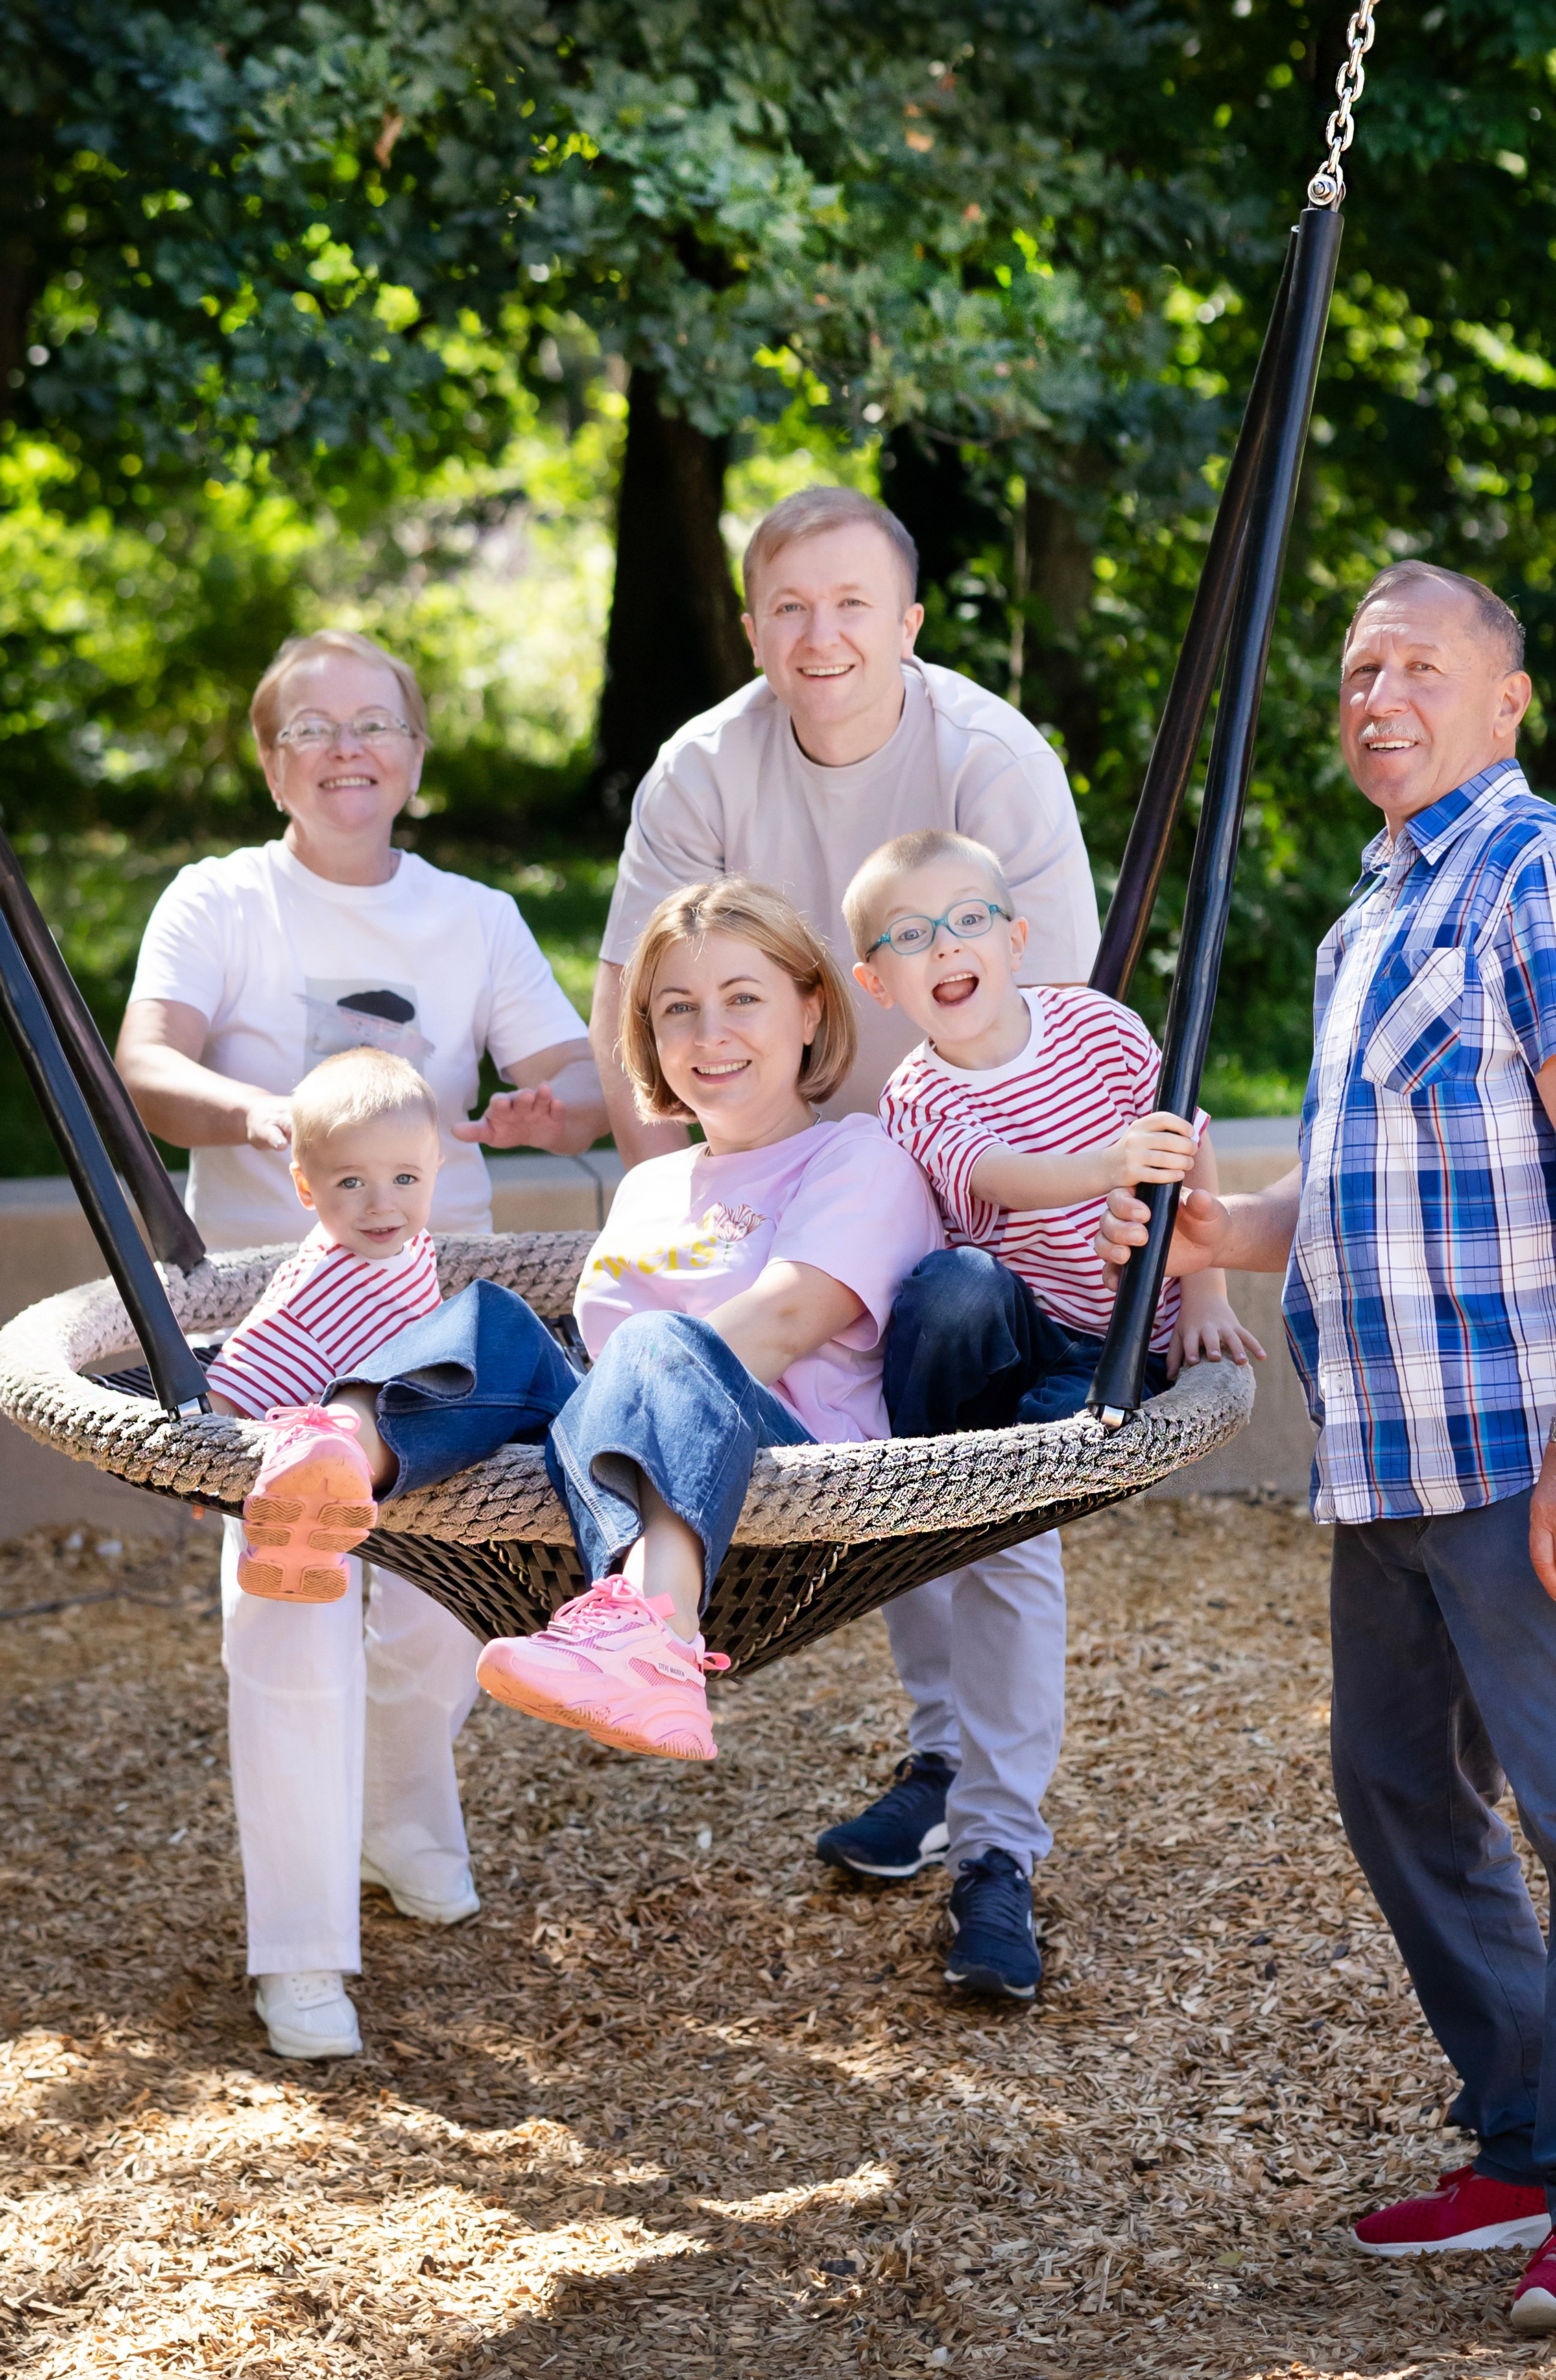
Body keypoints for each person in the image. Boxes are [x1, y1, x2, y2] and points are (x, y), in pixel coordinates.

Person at [1095, 560, 1556, 2333]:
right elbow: (1363, 1179)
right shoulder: (1368, 919)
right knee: (1397, 1787)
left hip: (1529, 1440)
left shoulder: (1547, 874)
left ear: (1507, 700)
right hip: (1391, 1454)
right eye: (1359, 672)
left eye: (1420, 667)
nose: (1378, 698)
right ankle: (1526, 2131)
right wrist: (1224, 1235)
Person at [591, 484, 1101, 1999]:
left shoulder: (988, 758)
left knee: (978, 1478)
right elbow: (637, 997)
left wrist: (1152, 1260)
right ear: (753, 628)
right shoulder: (706, 764)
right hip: (790, 1167)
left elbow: (1060, 1017)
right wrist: (680, 1206)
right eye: (790, 607)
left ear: (909, 622)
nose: (822, 636)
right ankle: (939, 1760)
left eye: (852, 604)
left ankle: (998, 1842)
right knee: (865, 1467)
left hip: (978, 1183)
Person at [117, 627, 608, 2060]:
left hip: (433, 1327)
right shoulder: (221, 898)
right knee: (294, 1605)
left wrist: (551, 1106)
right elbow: (146, 1065)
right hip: (269, 1314)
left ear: (415, 755)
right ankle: (300, 1949)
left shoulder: (474, 915)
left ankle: (400, 1816)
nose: (347, 749)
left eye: (375, 723)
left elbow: (574, 1075)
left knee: (444, 1611)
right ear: (273, 764)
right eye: (313, 728)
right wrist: (261, 1113)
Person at [324, 879, 942, 1775]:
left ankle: (657, 1636)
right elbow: (598, 1361)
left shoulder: (859, 1158)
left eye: (743, 998)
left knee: (658, 1340)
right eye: (678, 1008)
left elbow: (781, 1323)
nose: (709, 1034)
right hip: (619, 1463)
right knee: (492, 1319)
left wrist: (615, 1383)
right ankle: (335, 1459)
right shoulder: (651, 1187)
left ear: (811, 1008)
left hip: (785, 1473)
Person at [845, 828, 1262, 1434]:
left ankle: (1024, 1461)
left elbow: (1186, 1143)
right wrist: (1112, 1163)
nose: (945, 945)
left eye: (969, 918)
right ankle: (917, 1464)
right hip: (1009, 1339)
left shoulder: (1098, 1026)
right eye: (910, 934)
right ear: (877, 984)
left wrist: (1207, 1297)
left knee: (1074, 1430)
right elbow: (1000, 1177)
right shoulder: (915, 1097)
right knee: (955, 1286)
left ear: (1015, 942)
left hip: (1128, 1339)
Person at [207, 1048, 444, 1604]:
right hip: (313, 1469)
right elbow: (246, 1365)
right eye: (352, 1182)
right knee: (301, 1616)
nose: (382, 1205)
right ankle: (293, 1551)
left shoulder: (417, 1248)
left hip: (403, 1461)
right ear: (306, 1187)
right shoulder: (315, 1285)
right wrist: (202, 1459)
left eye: (405, 1178)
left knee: (425, 1606)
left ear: (436, 1169)